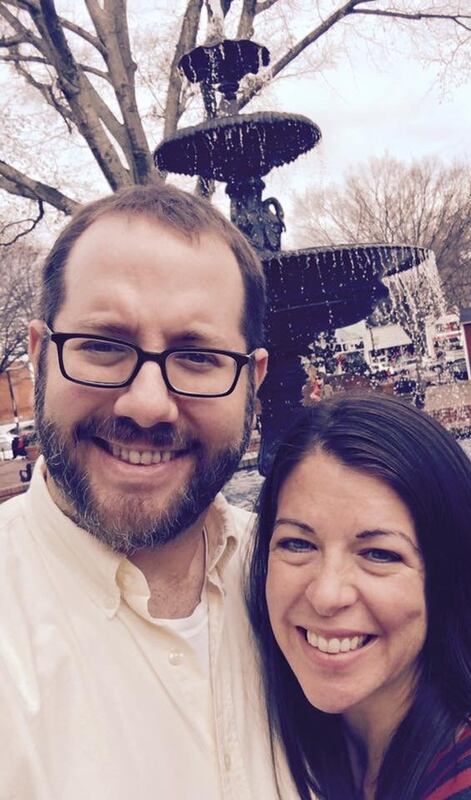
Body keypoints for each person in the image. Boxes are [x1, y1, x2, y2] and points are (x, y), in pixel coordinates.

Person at [0, 184, 292, 799]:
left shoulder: (309, 588)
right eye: (103, 346)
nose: (148, 404)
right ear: (38, 357)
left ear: (253, 382)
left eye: (198, 357)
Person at [247, 392, 471, 800]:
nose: (326, 595)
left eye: (379, 554)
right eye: (297, 544)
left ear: (449, 577)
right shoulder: (330, 742)